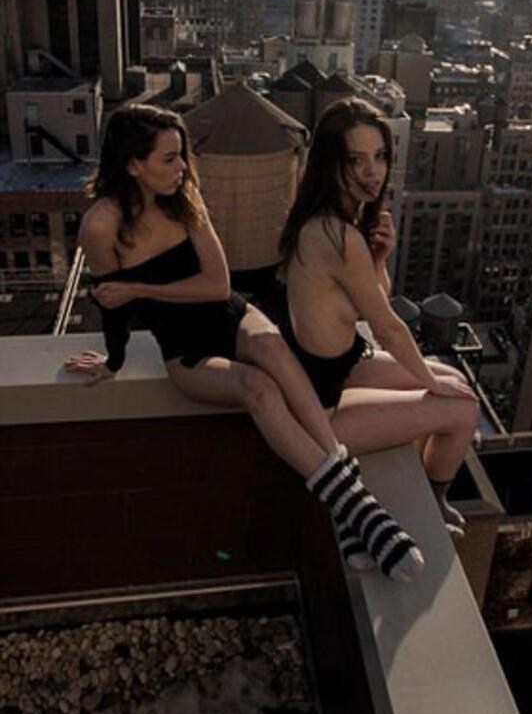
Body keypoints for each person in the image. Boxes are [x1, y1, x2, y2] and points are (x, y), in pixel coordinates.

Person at [64, 103, 423, 584]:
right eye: (169, 159)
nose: (182, 168)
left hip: (232, 315)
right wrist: (113, 359)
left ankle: (349, 504)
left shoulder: (184, 197)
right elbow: (111, 302)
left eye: (182, 156)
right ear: (133, 164)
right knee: (258, 387)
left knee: (275, 348)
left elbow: (217, 285)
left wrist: (141, 288)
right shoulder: (100, 227)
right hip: (184, 348)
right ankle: (356, 506)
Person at [279, 97, 479, 536]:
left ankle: (429, 451)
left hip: (339, 367)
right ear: (331, 164)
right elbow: (387, 327)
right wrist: (429, 386)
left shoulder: (326, 220)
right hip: (321, 407)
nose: (373, 172)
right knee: (463, 407)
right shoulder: (337, 234)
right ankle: (434, 500)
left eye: (380, 157)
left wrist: (380, 258)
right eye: (356, 160)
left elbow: (366, 306)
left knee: (453, 380)